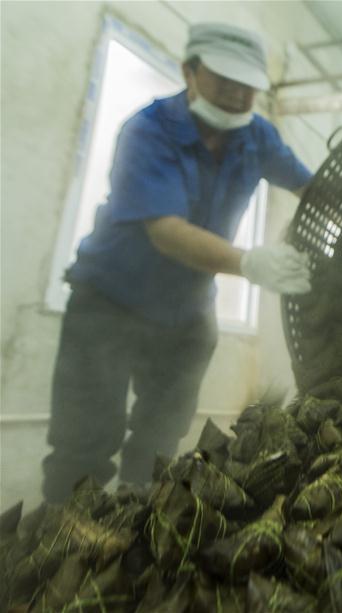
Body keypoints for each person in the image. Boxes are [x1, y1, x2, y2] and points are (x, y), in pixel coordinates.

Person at [42, 23, 314, 503]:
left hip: (187, 309)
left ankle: (137, 526)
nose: (236, 94)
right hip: (109, 302)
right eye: (223, 79)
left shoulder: (258, 138)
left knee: (160, 442)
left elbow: (311, 188)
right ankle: (61, 545)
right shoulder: (148, 131)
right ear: (189, 70)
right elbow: (165, 232)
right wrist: (250, 263)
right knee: (85, 443)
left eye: (247, 85)